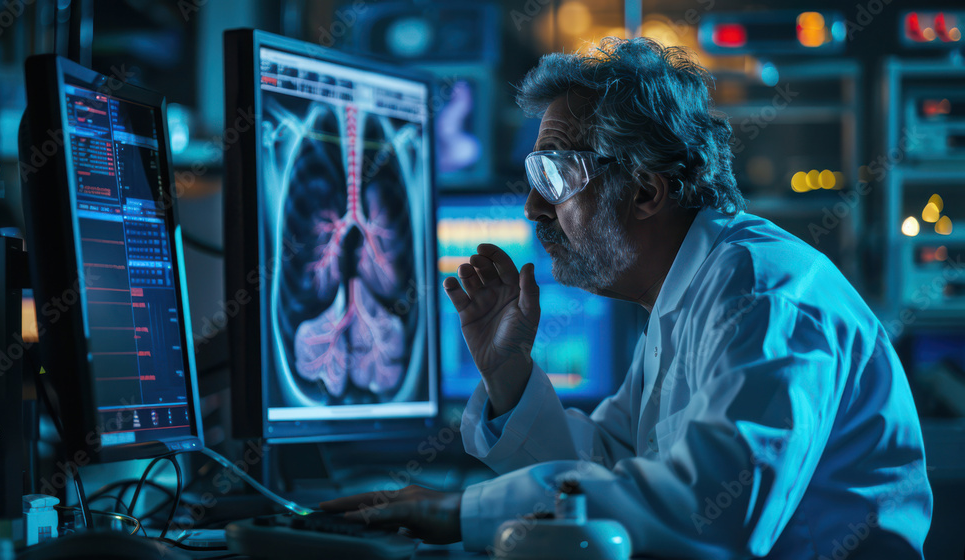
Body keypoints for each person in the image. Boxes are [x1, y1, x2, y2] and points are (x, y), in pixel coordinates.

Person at [321, 37, 932, 558]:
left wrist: (457, 512)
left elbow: (717, 513)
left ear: (645, 191)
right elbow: (609, 466)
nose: (534, 207)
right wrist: (509, 374)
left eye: (557, 177)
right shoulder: (682, 294)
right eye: (535, 176)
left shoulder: (764, 294)